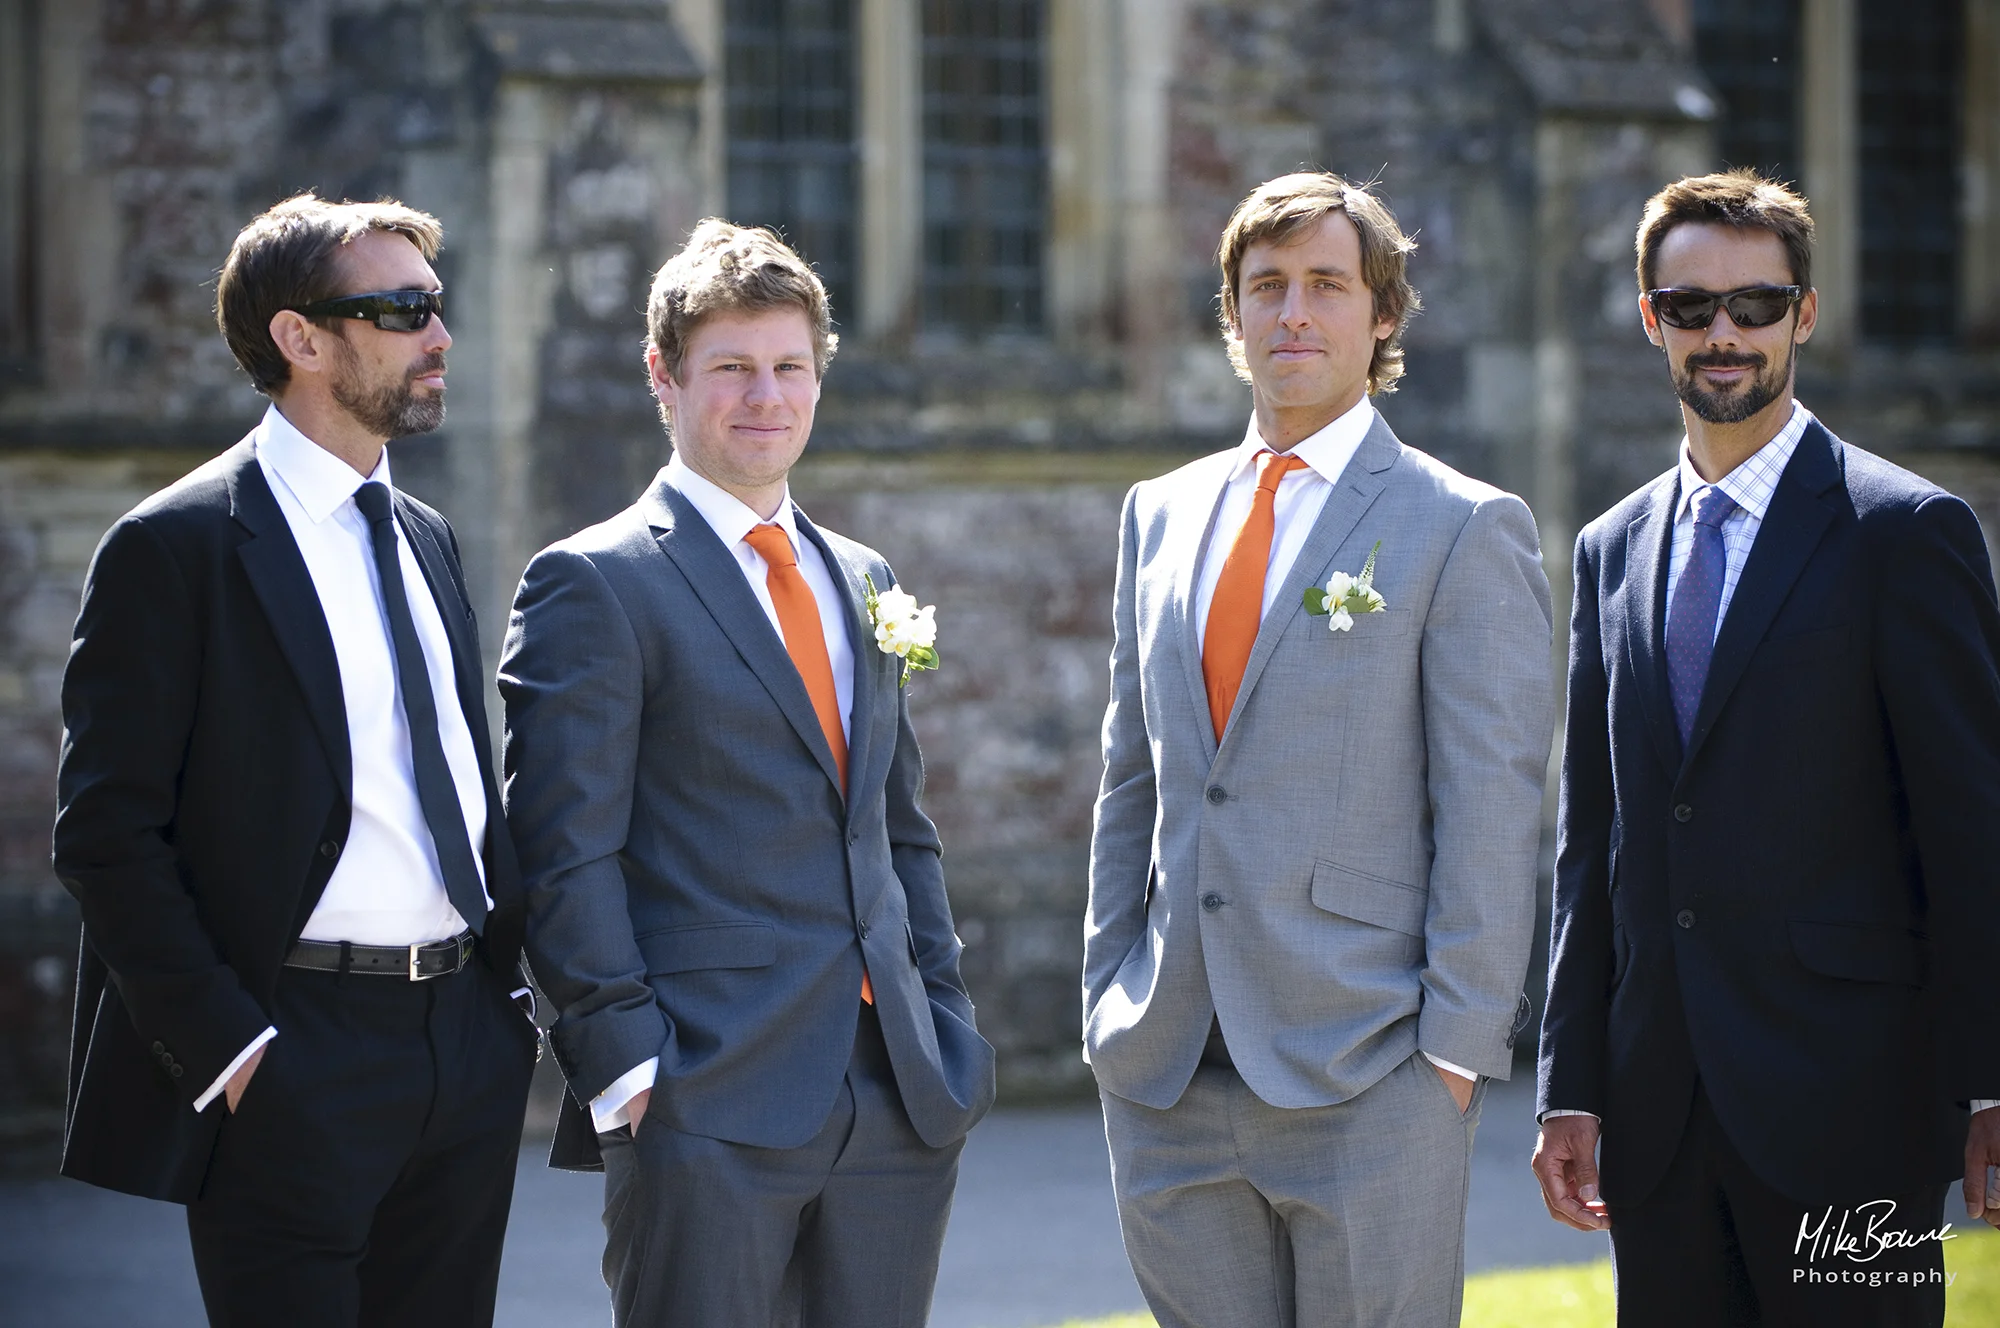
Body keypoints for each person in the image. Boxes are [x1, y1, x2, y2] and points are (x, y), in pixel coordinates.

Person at [52, 194, 536, 1326]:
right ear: (300, 339)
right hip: (292, 1051)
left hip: (460, 1042)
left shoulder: (426, 534)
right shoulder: (173, 546)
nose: (440, 334)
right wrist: (229, 1044)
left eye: (436, 303)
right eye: (402, 308)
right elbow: (105, 835)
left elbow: (457, 777)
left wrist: (498, 1012)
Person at [501, 219, 995, 1327]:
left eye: (787, 366)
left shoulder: (863, 576)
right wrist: (629, 1072)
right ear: (664, 377)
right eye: (730, 368)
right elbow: (560, 851)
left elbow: (898, 829)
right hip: (702, 1100)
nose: (763, 395)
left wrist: (944, 1023)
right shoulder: (593, 582)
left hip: (898, 1103)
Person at [1083, 171, 1555, 1326]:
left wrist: (1448, 1054)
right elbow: (1129, 776)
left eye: (1325, 286)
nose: (1291, 312)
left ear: (1380, 314)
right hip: (1166, 1065)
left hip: (1368, 1065)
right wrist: (1106, 988)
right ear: (1233, 315)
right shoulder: (1160, 510)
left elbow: (1491, 804)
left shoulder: (1459, 524)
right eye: (1265, 286)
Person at [1532, 168, 2000, 1327]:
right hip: (1657, 1116)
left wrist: (1993, 1080)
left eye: (1753, 303)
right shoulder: (1607, 546)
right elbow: (1590, 838)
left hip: (1855, 1111)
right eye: (1689, 307)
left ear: (1802, 311)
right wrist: (1569, 1084)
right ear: (1652, 320)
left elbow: (1972, 829)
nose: (1722, 332)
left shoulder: (1905, 531)